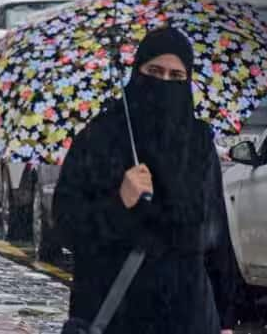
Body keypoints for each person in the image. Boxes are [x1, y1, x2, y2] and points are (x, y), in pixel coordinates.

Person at [53, 27, 238, 334]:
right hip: (116, 312)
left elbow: (216, 233)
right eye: (154, 71)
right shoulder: (100, 136)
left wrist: (226, 317)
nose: (164, 82)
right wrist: (119, 202)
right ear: (136, 71)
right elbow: (66, 227)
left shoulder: (198, 142)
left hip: (188, 314)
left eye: (176, 76)